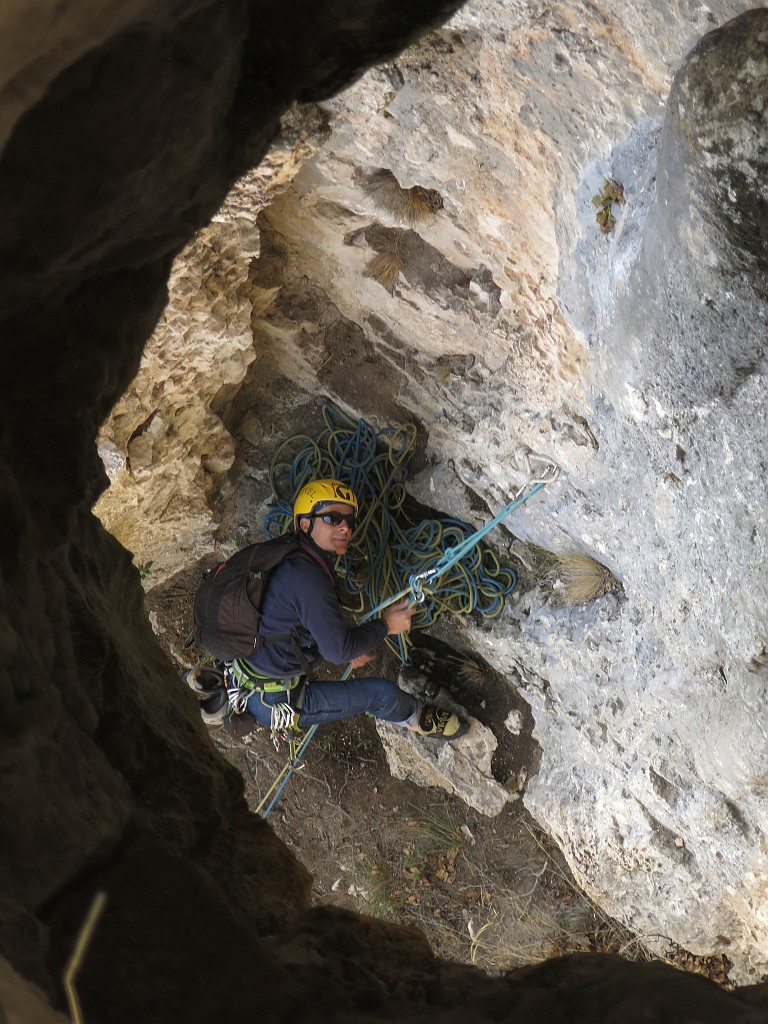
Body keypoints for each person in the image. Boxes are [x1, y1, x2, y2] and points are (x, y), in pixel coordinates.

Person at [219, 478, 468, 742]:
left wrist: (350, 645)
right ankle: (416, 718)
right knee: (381, 694)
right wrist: (386, 626)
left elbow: (299, 624)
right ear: (305, 524)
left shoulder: (294, 558)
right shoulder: (309, 579)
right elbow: (337, 650)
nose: (345, 527)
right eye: (333, 518)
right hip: (273, 700)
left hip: (251, 670)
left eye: (349, 521)